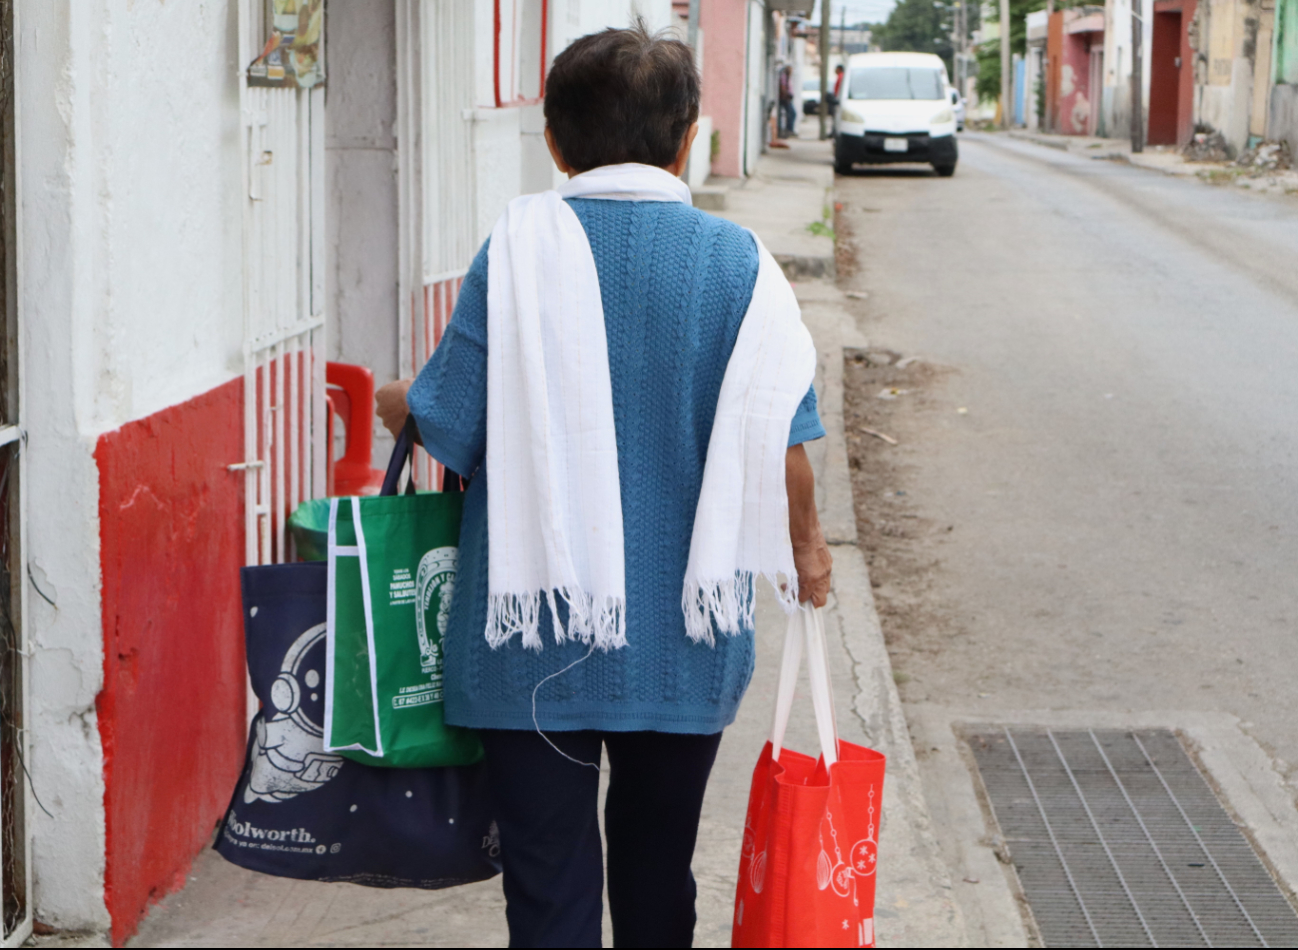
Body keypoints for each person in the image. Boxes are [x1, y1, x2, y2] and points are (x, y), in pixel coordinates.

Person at [375, 23, 831, 949]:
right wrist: (810, 551)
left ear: (553, 141)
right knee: (659, 876)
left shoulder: (516, 252)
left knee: (548, 891)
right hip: (684, 644)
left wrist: (396, 402)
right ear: (689, 135)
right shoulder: (742, 266)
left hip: (532, 646)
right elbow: (781, 435)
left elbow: (450, 422)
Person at [778, 64, 797, 138]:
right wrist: (788, 95)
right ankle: (789, 130)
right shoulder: (784, 77)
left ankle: (789, 129)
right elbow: (783, 88)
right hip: (785, 99)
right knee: (792, 114)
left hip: (788, 98)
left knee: (790, 114)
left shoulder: (788, 77)